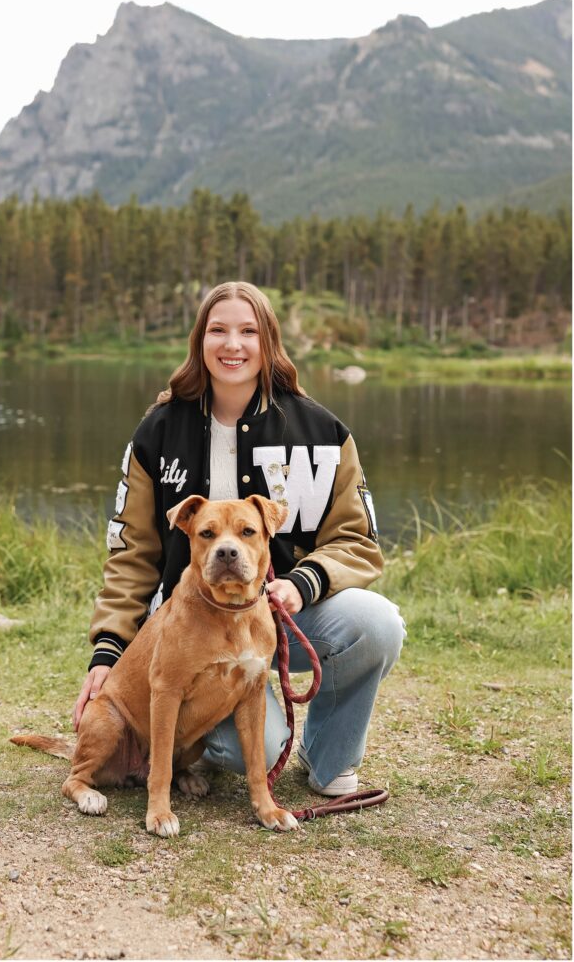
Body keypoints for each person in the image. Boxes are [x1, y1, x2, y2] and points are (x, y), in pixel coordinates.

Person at [73, 281, 405, 795]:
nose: (233, 345)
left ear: (268, 341)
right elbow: (131, 553)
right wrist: (109, 649)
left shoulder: (322, 432)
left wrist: (305, 581)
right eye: (218, 330)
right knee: (252, 747)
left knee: (376, 623)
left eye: (248, 331)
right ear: (199, 342)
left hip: (287, 615)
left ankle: (330, 759)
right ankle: (200, 753)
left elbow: (358, 540)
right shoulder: (157, 433)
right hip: (193, 624)